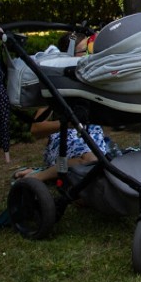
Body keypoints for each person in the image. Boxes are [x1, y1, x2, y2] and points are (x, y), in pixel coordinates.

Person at [13, 33, 109, 181]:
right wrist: (68, 123)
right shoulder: (57, 85)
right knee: (92, 161)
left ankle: (50, 172)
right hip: (65, 141)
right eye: (85, 51)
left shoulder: (92, 79)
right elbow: (36, 129)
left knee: (101, 166)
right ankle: (37, 177)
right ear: (68, 55)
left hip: (92, 141)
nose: (90, 55)